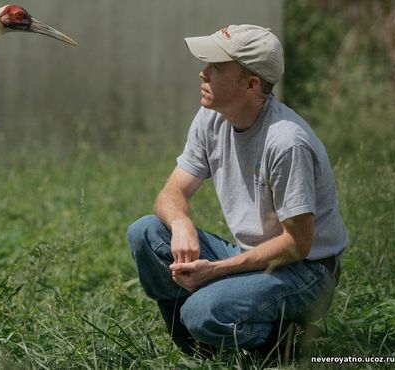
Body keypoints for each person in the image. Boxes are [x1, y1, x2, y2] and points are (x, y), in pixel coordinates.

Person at [127, 24, 348, 355]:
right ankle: (199, 347)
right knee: (145, 232)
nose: (202, 74)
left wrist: (215, 271)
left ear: (251, 84)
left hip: (306, 273)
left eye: (216, 67)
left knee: (201, 311)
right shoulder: (210, 117)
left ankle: (286, 340)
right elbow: (171, 192)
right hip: (251, 257)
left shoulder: (286, 142)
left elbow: (297, 244)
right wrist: (181, 224)